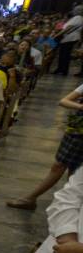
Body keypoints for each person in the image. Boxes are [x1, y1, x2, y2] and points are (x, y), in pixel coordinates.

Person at [8, 82, 83, 210]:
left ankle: (34, 199)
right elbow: (64, 101)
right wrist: (80, 107)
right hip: (77, 131)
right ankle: (68, 204)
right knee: (63, 166)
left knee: (73, 169)